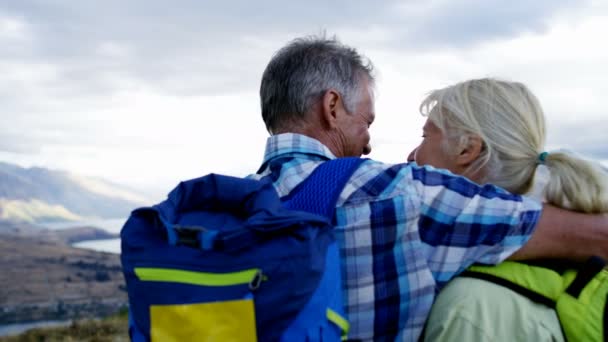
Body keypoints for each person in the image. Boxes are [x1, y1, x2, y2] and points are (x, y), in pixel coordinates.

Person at [251, 34, 608, 341]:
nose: (371, 144)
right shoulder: (394, 195)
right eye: (367, 120)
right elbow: (592, 235)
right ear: (332, 107)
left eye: (424, 136)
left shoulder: (218, 209)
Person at [406, 78, 608, 341]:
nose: (412, 155)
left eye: (425, 136)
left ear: (467, 149)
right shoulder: (571, 258)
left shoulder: (471, 305)